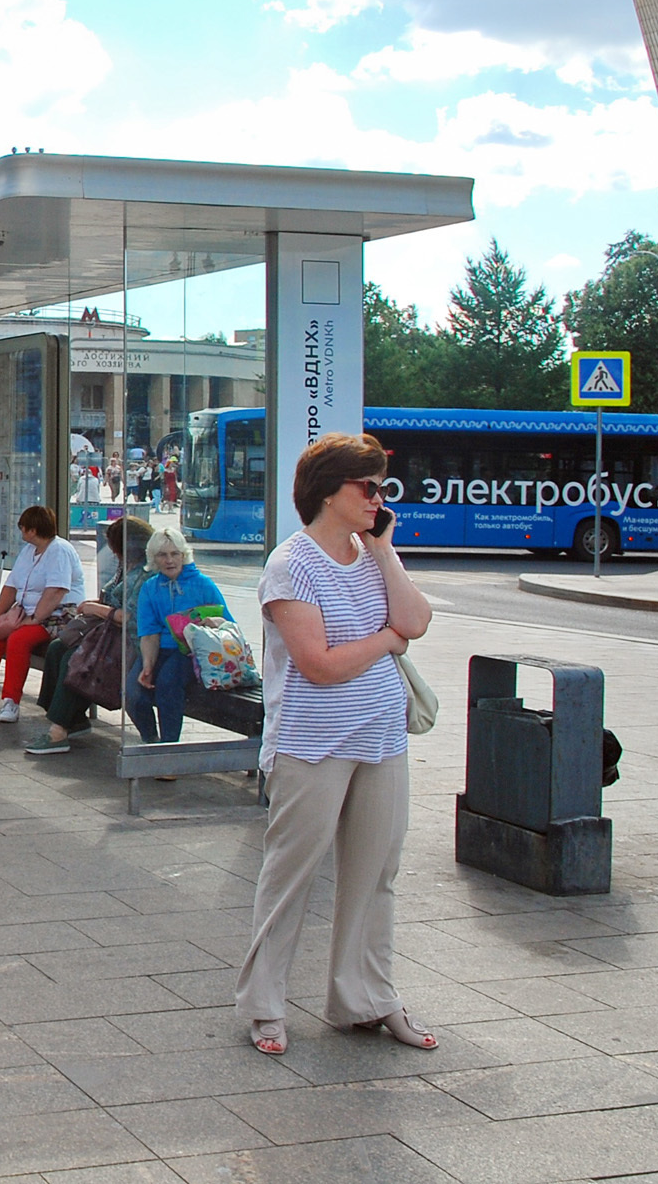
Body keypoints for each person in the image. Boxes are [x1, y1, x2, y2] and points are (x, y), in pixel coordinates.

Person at [235, 432, 434, 1058]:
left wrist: (385, 551)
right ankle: (264, 1005)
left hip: (382, 737)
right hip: (311, 743)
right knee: (291, 876)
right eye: (367, 486)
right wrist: (388, 642)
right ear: (328, 491)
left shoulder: (371, 554)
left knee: (376, 875)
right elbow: (318, 664)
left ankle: (366, 998)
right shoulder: (291, 564)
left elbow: (416, 620)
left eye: (383, 487)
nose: (379, 498)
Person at [27, 516, 153, 754]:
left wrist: (95, 609)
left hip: (128, 639)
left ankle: (58, 730)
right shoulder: (125, 567)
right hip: (108, 632)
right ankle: (71, 717)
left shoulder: (144, 574)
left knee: (78, 659)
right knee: (57, 648)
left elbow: (130, 617)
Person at [0, 506, 84, 724]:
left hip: (56, 616)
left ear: (33, 530)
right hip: (25, 613)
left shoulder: (60, 550)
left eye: (23, 527)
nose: (20, 531)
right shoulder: (28, 551)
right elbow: (11, 587)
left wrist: (34, 620)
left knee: (18, 640)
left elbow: (55, 592)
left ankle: (11, 701)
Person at [128, 527, 227, 745]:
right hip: (161, 648)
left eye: (175, 554)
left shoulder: (203, 584)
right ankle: (151, 741)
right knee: (132, 692)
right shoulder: (150, 588)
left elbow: (228, 625)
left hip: (192, 652)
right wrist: (147, 665)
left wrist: (213, 622)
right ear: (154, 558)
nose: (169, 560)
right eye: (162, 555)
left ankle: (169, 747)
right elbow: (149, 633)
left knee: (168, 684)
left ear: (184, 555)